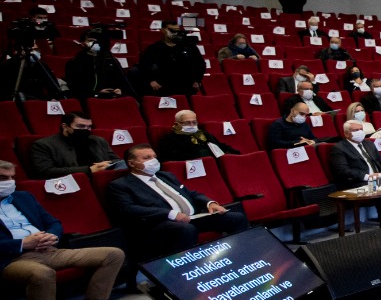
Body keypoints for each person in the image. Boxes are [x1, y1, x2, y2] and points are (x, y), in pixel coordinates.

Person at [1, 159, 125, 300]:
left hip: (47, 250)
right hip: (13, 259)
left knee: (113, 254)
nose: (9, 182)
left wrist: (52, 236)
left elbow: (54, 222)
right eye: (3, 178)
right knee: (42, 274)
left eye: (12, 177)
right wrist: (21, 244)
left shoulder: (23, 197)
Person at [103, 145, 247, 261]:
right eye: (147, 158)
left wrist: (209, 203)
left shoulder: (166, 176)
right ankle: (185, 271)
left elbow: (191, 194)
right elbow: (129, 209)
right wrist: (170, 214)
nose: (153, 160)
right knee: (186, 230)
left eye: (154, 157)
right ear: (132, 163)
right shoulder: (121, 185)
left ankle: (239, 257)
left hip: (192, 218)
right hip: (158, 224)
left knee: (236, 218)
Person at [326, 120, 381, 228]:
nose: (360, 132)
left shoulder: (369, 143)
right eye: (356, 130)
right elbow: (343, 170)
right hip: (358, 181)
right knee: (380, 187)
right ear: (347, 133)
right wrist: (368, 176)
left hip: (378, 177)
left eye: (361, 129)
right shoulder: (339, 148)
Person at [28, 112, 117, 178]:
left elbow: (117, 160)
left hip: (103, 180)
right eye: (81, 126)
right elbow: (45, 171)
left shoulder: (98, 140)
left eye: (89, 127)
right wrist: (89, 170)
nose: (86, 130)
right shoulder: (44, 145)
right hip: (71, 184)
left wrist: (107, 165)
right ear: (65, 126)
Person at [139, 21, 205, 95]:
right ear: (163, 31)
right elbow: (144, 66)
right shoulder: (154, 48)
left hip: (186, 86)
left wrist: (197, 80)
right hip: (163, 86)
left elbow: (200, 64)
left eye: (177, 31)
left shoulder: (189, 46)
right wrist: (151, 81)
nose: (176, 33)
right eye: (172, 30)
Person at [64, 30, 133, 101]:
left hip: (113, 97)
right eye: (90, 40)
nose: (94, 43)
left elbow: (122, 81)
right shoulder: (74, 62)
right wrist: (96, 93)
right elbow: (75, 88)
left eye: (97, 41)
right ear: (83, 43)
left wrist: (119, 89)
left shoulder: (110, 60)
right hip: (88, 98)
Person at [155, 110, 238, 162]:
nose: (192, 125)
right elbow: (171, 157)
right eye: (187, 123)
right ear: (177, 124)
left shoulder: (204, 134)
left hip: (214, 164)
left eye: (194, 122)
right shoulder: (169, 138)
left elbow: (218, 146)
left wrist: (233, 153)